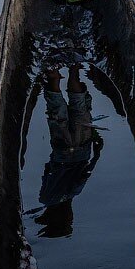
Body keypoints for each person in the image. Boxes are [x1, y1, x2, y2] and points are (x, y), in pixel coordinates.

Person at [36, 65, 102, 238]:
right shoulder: (44, 198)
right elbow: (47, 172)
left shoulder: (72, 193)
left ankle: (74, 71)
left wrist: (97, 151)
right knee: (57, 113)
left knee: (80, 108)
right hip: (60, 150)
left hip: (81, 148)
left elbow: (85, 173)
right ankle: (54, 77)